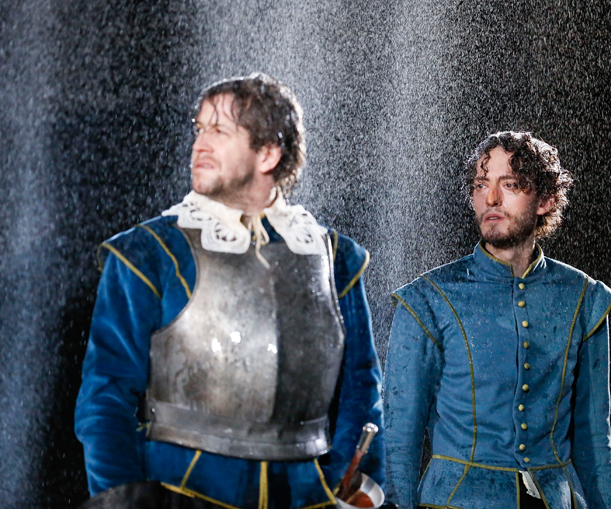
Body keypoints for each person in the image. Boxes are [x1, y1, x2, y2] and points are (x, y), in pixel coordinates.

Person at [75, 73, 384, 509]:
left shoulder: (336, 259)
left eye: (219, 131)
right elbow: (105, 399)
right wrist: (122, 502)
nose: (200, 145)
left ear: (268, 154)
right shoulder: (148, 253)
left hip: (305, 498)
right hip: (180, 496)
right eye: (200, 129)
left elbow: (361, 391)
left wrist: (345, 488)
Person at [383, 131, 611, 509]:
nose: (491, 198)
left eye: (509, 184)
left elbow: (594, 440)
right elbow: (398, 439)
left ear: (546, 200)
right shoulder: (427, 299)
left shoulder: (583, 298)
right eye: (481, 185)